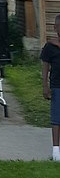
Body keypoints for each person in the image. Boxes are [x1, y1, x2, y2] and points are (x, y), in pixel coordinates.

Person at [41, 13, 60, 162]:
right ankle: (55, 150)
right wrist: (45, 86)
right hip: (57, 86)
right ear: (55, 28)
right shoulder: (50, 47)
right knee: (56, 118)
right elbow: (45, 67)